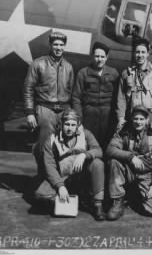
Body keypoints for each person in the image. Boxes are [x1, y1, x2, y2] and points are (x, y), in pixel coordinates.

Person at [34, 109, 106, 221]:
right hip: (63, 176)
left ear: (78, 125)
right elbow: (49, 165)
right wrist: (60, 186)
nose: (69, 128)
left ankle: (98, 205)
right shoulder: (52, 139)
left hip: (82, 175)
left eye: (73, 125)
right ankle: (70, 196)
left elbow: (99, 151)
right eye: (67, 124)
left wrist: (84, 155)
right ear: (61, 124)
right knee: (41, 195)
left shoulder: (86, 134)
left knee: (98, 163)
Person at [106, 105, 152, 220]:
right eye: (135, 119)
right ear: (131, 119)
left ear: (147, 120)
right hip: (129, 171)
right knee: (114, 162)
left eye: (141, 119)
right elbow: (110, 149)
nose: (138, 122)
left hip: (146, 174)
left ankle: (137, 198)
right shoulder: (124, 131)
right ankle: (118, 200)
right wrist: (130, 157)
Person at [23, 32, 74, 170]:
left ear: (65, 47)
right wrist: (29, 113)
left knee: (61, 145)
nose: (58, 47)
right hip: (45, 109)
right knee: (44, 144)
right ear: (50, 45)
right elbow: (28, 89)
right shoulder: (37, 64)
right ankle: (42, 175)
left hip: (63, 111)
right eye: (56, 44)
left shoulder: (68, 67)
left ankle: (56, 178)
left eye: (61, 45)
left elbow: (71, 92)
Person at [72, 42, 119, 148]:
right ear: (92, 56)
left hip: (107, 115)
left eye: (102, 56)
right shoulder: (83, 73)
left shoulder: (113, 73)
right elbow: (76, 97)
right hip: (89, 114)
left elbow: (118, 97)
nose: (99, 59)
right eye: (97, 56)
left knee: (106, 144)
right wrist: (79, 119)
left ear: (107, 57)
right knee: (88, 143)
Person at [116, 37, 152, 134]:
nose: (140, 55)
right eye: (137, 52)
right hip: (133, 118)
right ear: (134, 53)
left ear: (148, 53)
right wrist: (121, 118)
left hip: (151, 117)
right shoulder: (126, 74)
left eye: (143, 52)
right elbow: (121, 98)